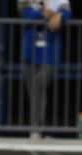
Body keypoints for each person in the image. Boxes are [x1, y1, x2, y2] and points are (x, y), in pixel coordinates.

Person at [18, 0, 71, 139]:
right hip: (29, 51)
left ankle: (36, 128)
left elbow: (67, 13)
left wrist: (60, 16)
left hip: (50, 52)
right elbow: (25, 13)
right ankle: (39, 128)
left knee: (38, 85)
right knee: (33, 91)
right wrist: (48, 14)